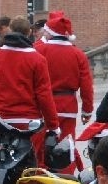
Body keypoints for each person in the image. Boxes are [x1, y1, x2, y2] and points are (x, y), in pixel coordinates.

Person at [0, 15, 59, 163]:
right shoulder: (37, 59)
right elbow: (44, 95)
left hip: (1, 118)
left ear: (10, 30)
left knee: (1, 163)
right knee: (30, 165)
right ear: (28, 32)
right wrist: (53, 124)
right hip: (29, 121)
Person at [35, 13, 94, 148]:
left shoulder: (38, 50)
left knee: (41, 146)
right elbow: (86, 85)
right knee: (67, 146)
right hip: (68, 105)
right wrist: (87, 110)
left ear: (50, 33)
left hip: (42, 105)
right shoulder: (78, 54)